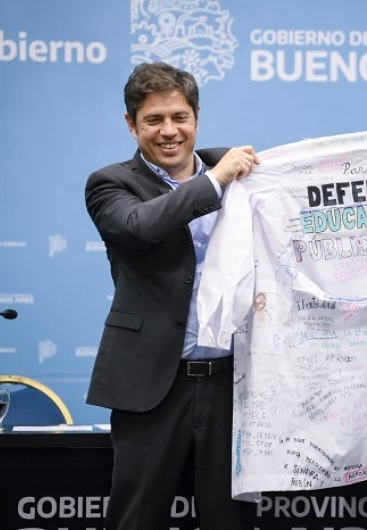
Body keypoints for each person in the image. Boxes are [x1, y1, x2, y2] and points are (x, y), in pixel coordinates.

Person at [85, 61, 259, 530]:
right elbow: (140, 226)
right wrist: (214, 180)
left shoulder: (246, 173)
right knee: (136, 519)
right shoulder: (110, 183)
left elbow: (319, 180)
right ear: (131, 124)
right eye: (153, 120)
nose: (168, 131)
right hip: (150, 388)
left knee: (232, 521)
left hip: (232, 386)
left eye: (179, 117)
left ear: (196, 117)